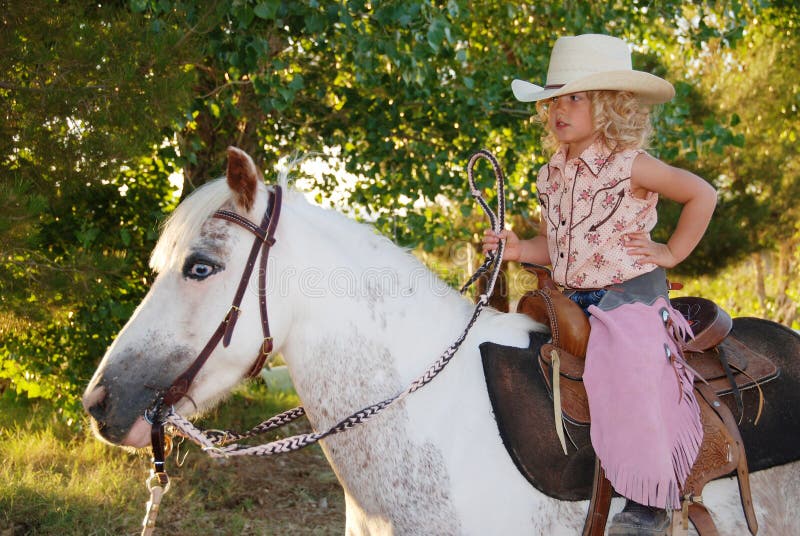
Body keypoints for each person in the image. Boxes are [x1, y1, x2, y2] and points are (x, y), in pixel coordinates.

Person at [483, 34, 717, 535]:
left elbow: (701, 193)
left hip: (629, 293)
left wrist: (672, 251)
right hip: (572, 297)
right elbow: (558, 243)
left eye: (575, 97)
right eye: (554, 100)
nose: (558, 110)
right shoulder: (551, 174)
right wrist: (520, 249)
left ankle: (648, 500)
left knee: (628, 366)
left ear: (610, 105)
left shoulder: (632, 165)